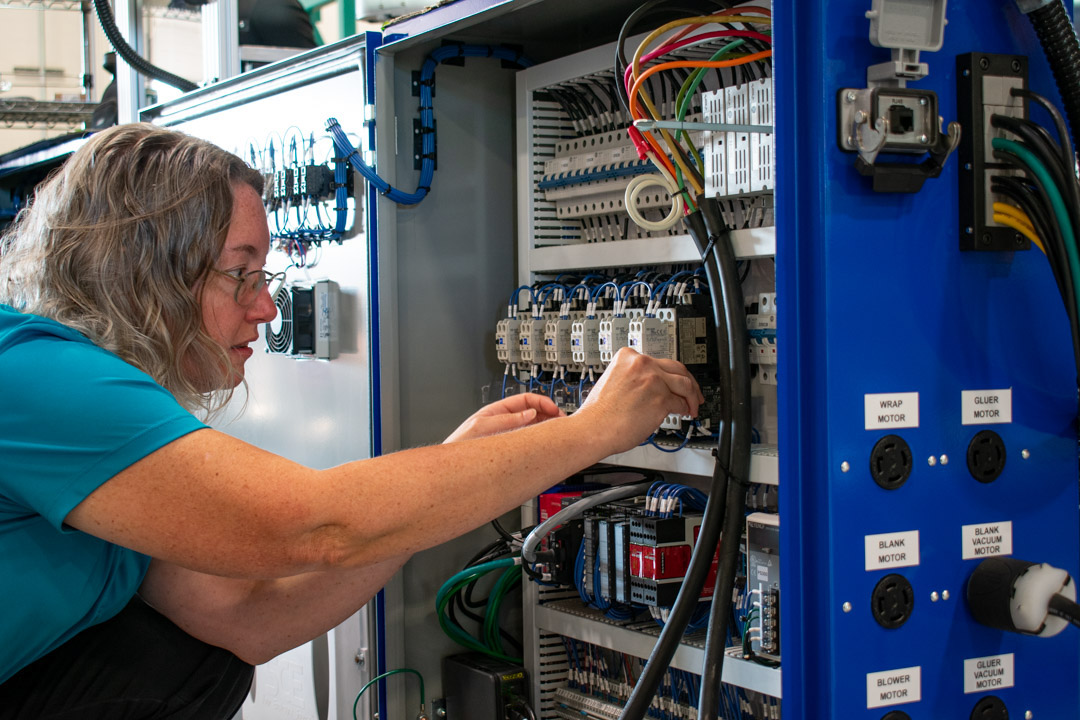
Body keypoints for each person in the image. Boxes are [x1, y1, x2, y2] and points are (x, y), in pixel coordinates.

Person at [0, 123, 703, 719]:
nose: (267, 310)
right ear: (144, 274)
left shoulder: (78, 388)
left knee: (194, 658)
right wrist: (593, 429)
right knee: (165, 659)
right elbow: (314, 526)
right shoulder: (40, 378)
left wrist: (457, 472)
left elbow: (244, 618)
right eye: (241, 274)